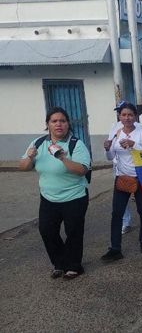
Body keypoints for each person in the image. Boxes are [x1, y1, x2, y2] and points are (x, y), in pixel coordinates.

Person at [18, 107, 91, 280]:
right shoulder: (37, 143)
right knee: (47, 230)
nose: (59, 124)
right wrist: (29, 157)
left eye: (63, 121)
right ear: (48, 124)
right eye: (54, 121)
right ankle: (59, 263)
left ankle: (74, 266)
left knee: (73, 232)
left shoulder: (76, 144)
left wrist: (62, 158)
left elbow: (81, 170)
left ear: (68, 124)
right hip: (48, 197)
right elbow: (23, 167)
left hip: (75, 197)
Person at [101, 102, 142, 263]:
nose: (127, 118)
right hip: (122, 177)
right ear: (119, 116)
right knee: (117, 214)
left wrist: (134, 145)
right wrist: (107, 148)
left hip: (140, 177)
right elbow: (110, 157)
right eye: (124, 115)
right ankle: (115, 248)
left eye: (130, 115)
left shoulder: (141, 132)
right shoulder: (116, 132)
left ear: (135, 116)